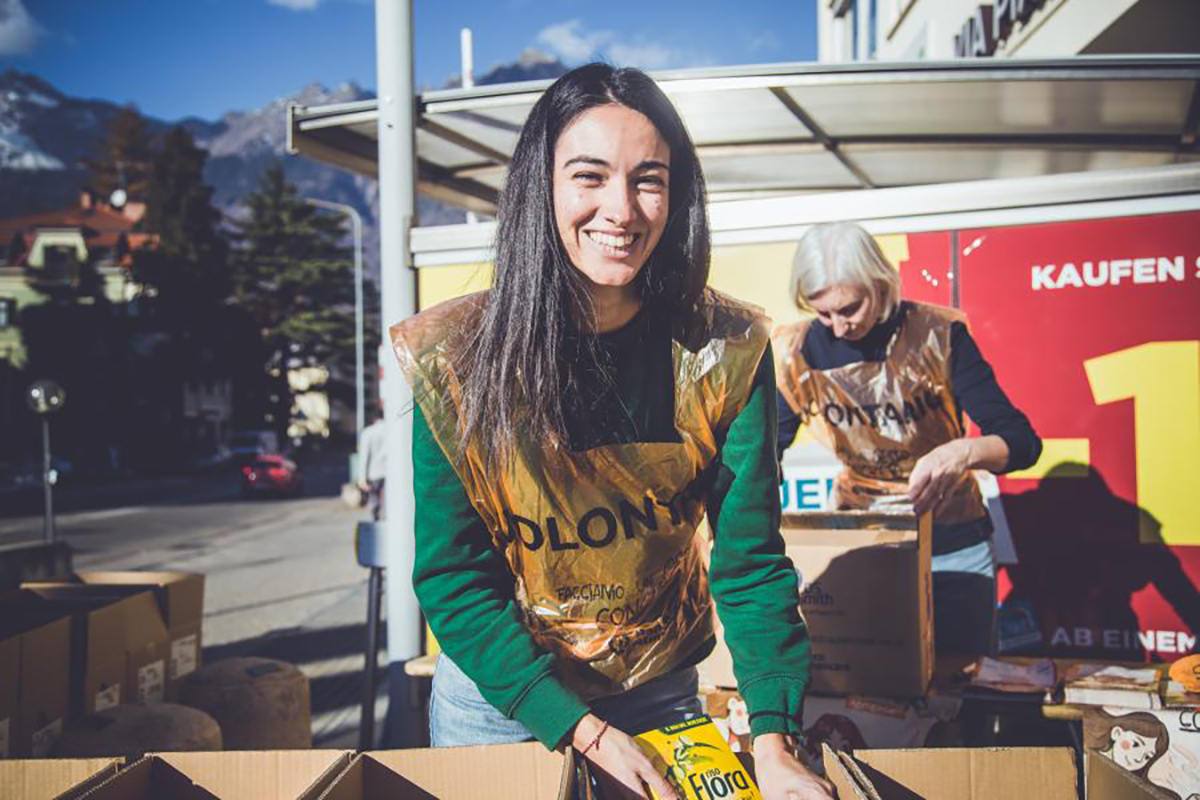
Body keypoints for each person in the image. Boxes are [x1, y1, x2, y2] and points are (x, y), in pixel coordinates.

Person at [391, 64, 832, 800]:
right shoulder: (456, 362)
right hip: (505, 697)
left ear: (678, 194)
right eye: (590, 176)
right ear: (544, 186)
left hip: (655, 687)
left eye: (649, 179)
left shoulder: (729, 354)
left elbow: (750, 563)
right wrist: (581, 728)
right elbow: (455, 579)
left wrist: (775, 742)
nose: (621, 209)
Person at [775, 221, 1042, 655]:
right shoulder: (797, 351)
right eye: (823, 313)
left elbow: (1022, 442)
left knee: (963, 677)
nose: (838, 327)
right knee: (870, 682)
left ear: (879, 283)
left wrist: (962, 451)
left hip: (951, 536)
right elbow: (770, 450)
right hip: (862, 536)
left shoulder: (937, 334)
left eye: (850, 309)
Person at [358, 409, 386, 521]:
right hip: (390, 472)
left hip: (374, 473)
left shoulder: (368, 432)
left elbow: (364, 457)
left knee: (374, 504)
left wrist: (362, 479)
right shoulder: (392, 429)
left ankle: (376, 526)